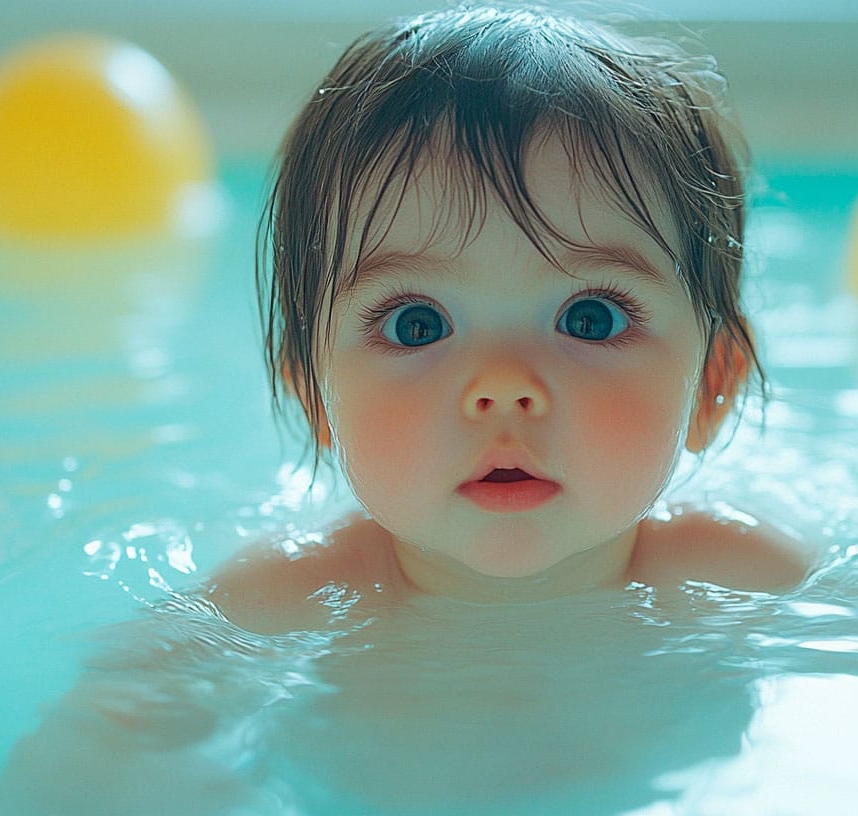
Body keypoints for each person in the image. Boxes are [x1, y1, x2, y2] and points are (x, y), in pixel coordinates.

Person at [207, 3, 812, 634]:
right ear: (315, 398)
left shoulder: (754, 580)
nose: (502, 385)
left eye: (590, 319)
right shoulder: (267, 608)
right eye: (416, 324)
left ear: (712, 385)